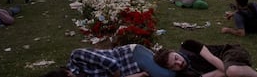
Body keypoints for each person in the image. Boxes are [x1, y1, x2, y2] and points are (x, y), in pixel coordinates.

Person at [154, 39, 257, 77]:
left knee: (232, 71)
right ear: (169, 68)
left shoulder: (188, 46)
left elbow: (214, 61)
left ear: (175, 51)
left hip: (229, 53)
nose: (179, 63)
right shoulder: (183, 74)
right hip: (223, 71)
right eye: (174, 65)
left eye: (176, 58)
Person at [40, 44, 175, 77]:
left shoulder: (77, 57)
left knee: (169, 75)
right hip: (131, 69)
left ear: (68, 74)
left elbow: (111, 63)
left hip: (132, 55)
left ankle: (188, 58)